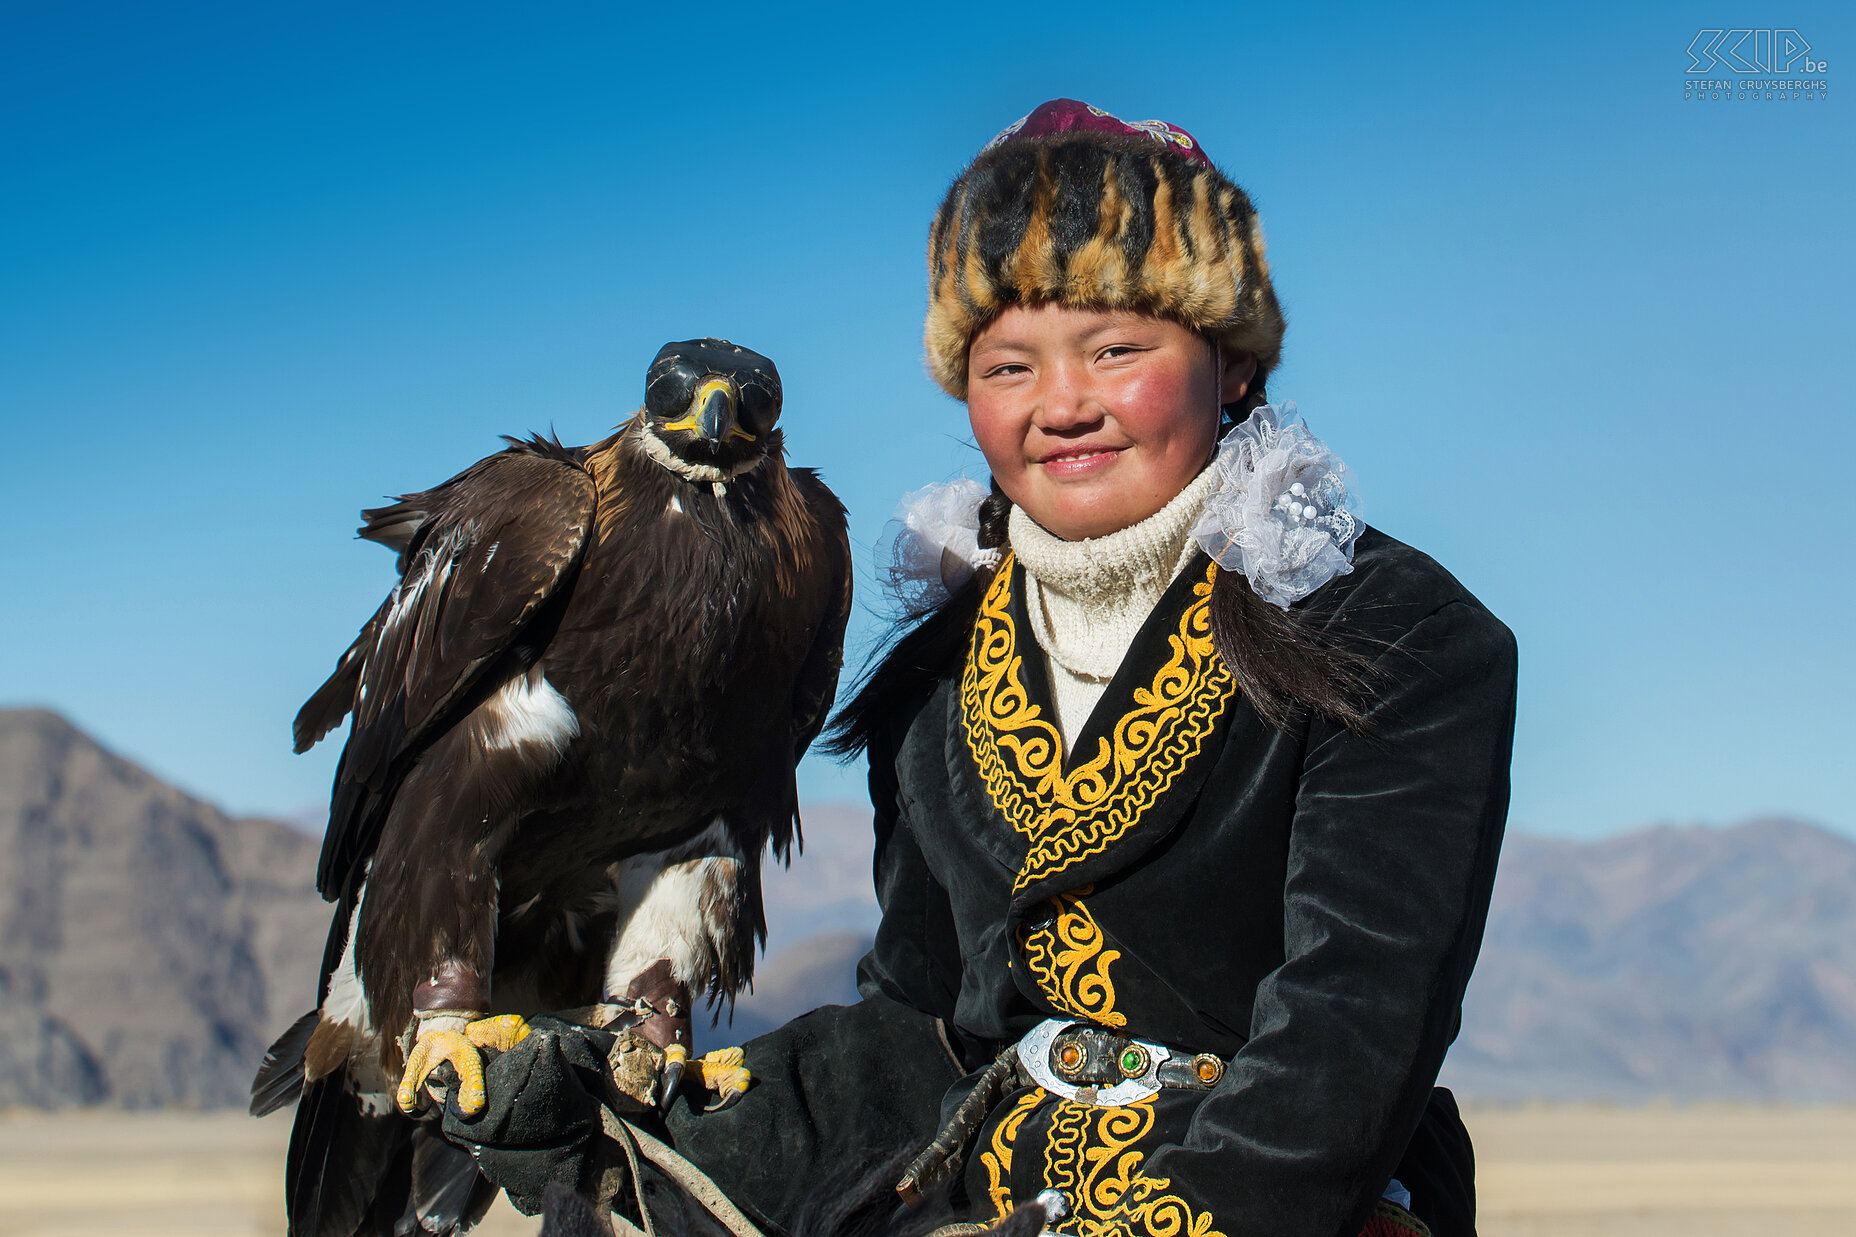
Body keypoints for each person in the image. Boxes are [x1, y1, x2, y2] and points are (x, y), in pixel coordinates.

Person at [459, 99, 1517, 1237]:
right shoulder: (936, 671)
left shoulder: (1393, 632)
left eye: (1115, 349)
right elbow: (922, 1028)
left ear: (1235, 364)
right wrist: (635, 1118)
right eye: (1007, 364)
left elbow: (1348, 1041)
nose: (1060, 406)